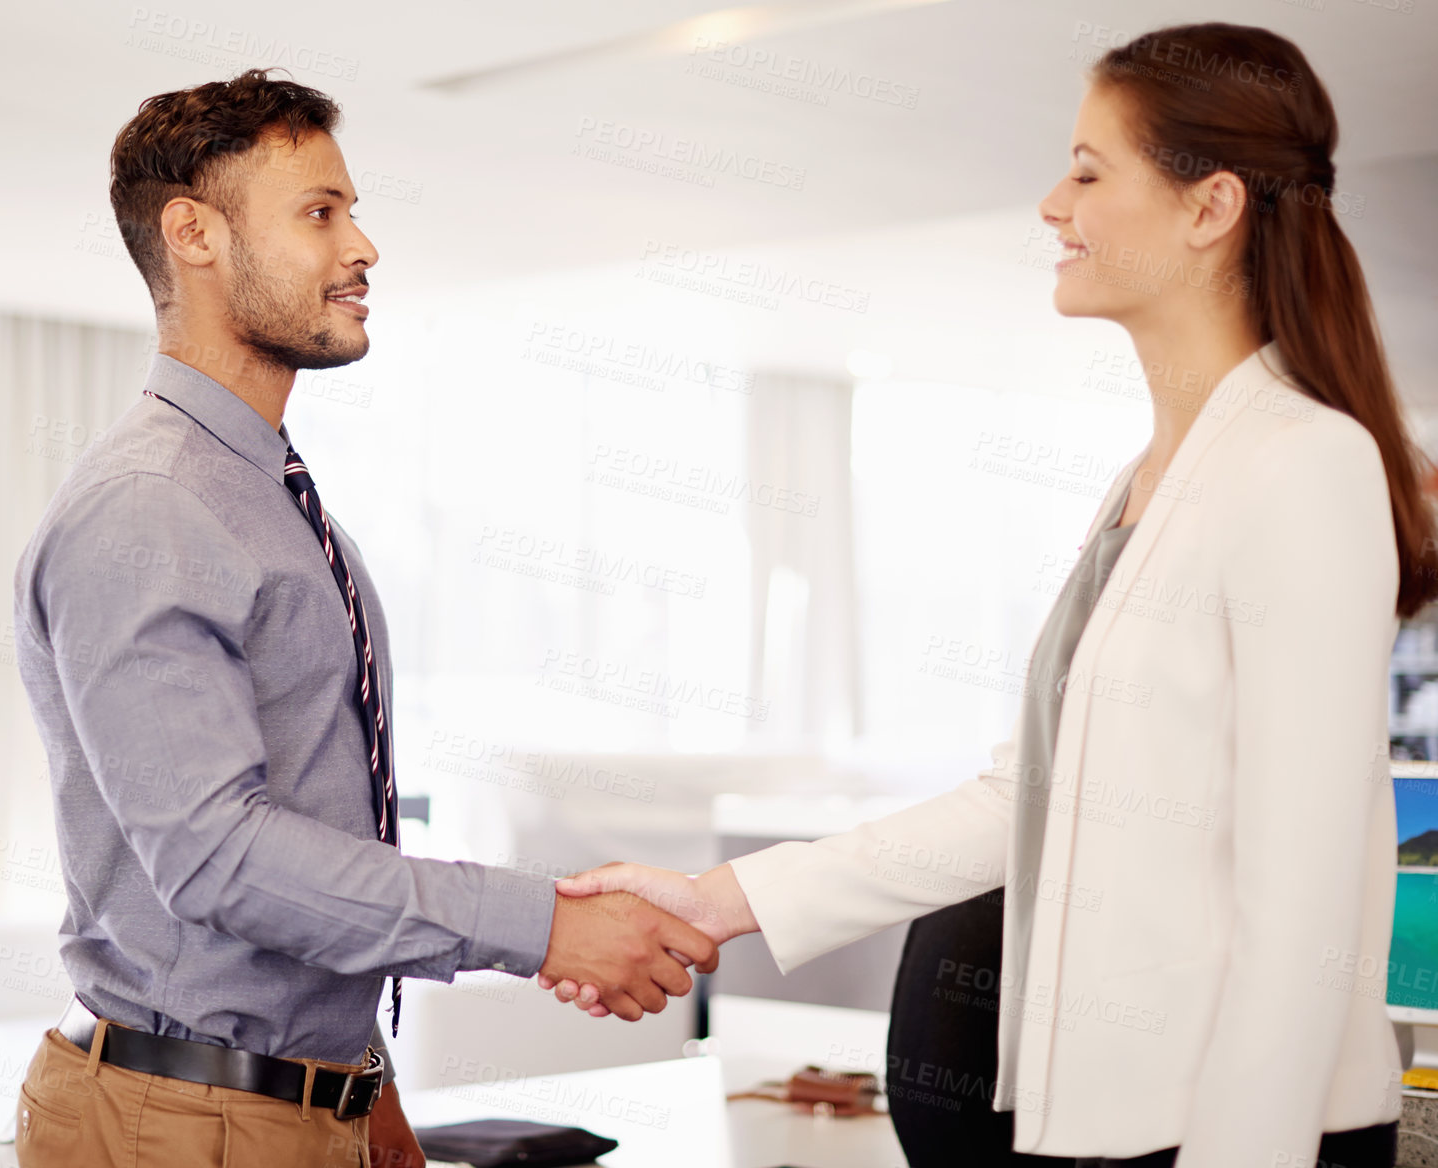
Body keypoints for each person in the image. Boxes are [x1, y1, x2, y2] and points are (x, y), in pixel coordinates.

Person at [542, 23, 1437, 1168]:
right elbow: (1020, 798)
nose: (1051, 205)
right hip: (1104, 1126)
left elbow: (1302, 909)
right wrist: (716, 899)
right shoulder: (1149, 482)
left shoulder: (1303, 463)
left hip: (1237, 1135)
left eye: (1086, 168)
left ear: (1210, 208)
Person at [10, 70, 717, 1168]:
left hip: (290, 1102)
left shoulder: (269, 497)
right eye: (319, 213)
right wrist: (542, 926)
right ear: (192, 234)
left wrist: (353, 1075)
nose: (364, 247)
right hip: (181, 1121)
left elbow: (310, 814)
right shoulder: (150, 504)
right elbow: (216, 856)